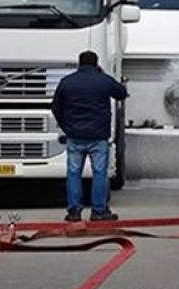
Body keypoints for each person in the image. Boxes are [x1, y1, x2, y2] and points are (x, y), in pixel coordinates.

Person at [51, 50, 128, 222]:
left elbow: (56, 107)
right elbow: (121, 93)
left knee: (73, 173)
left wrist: (66, 126)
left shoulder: (67, 82)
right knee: (100, 173)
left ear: (79, 63)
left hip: (75, 136)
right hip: (98, 137)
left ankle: (74, 212)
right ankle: (99, 211)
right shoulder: (103, 80)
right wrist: (103, 75)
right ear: (96, 63)